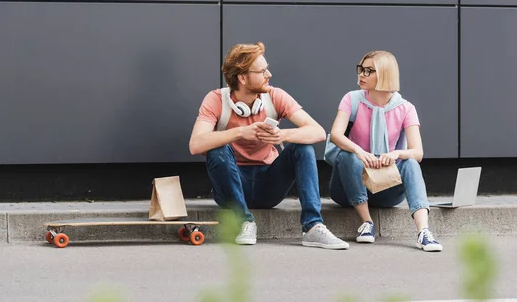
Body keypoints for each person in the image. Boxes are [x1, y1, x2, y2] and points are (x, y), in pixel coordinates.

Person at [189, 42, 349, 250]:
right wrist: (239, 132)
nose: (269, 74)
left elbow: (317, 132)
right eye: (262, 71)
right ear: (243, 78)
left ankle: (313, 227)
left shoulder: (275, 96)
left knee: (302, 147)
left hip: (269, 184)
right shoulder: (216, 99)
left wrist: (282, 134)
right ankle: (244, 221)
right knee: (217, 149)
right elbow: (195, 144)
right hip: (232, 183)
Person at [328, 50, 442, 252]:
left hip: (386, 187)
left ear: (385, 74)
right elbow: (336, 135)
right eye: (360, 69)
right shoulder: (352, 99)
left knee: (410, 162)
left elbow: (417, 152)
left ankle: (424, 232)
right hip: (347, 187)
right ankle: (367, 223)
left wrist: (396, 153)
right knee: (346, 155)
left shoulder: (406, 108)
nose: (361, 75)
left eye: (368, 71)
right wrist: (359, 151)